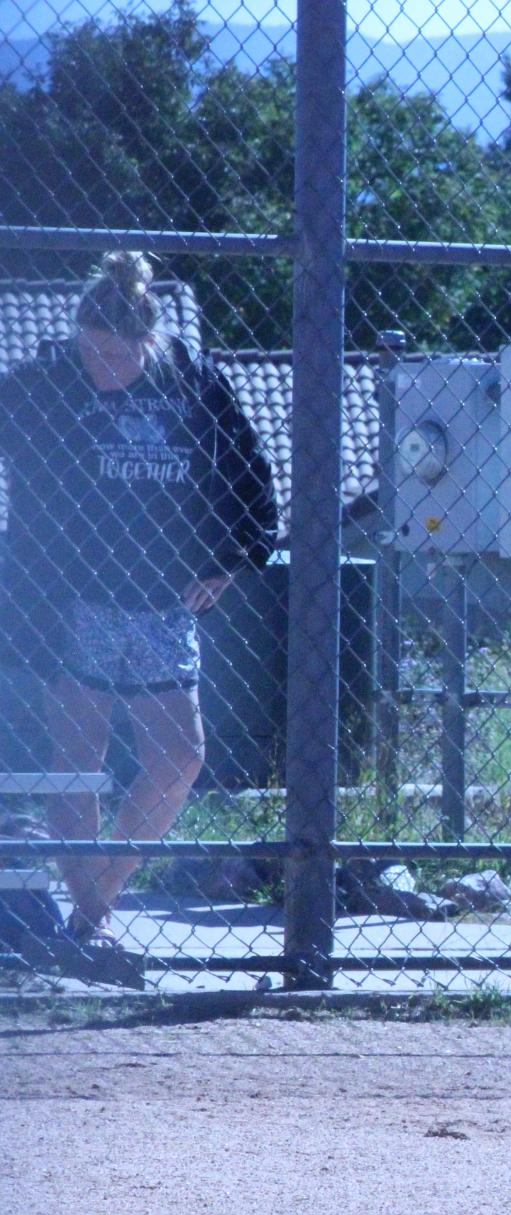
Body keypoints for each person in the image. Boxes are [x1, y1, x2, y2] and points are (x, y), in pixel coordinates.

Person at [0, 252, 275, 951]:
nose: (104, 369)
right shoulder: (52, 379)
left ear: (148, 344)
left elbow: (248, 462)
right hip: (73, 596)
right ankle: (88, 927)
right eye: (92, 352)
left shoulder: (191, 378)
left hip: (162, 596)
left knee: (181, 755)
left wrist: (236, 555)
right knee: (77, 756)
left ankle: (99, 896)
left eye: (118, 356)